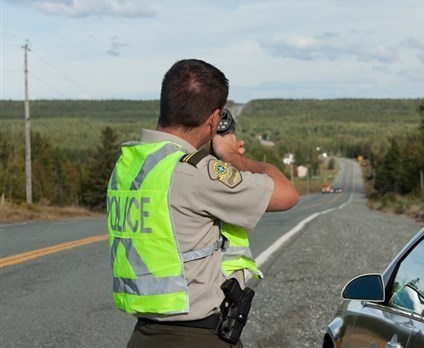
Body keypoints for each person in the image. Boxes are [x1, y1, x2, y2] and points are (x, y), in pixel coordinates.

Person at [106, 59, 299, 347]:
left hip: (144, 335)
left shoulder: (129, 166)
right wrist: (232, 157)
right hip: (196, 336)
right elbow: (287, 194)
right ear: (213, 119)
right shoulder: (194, 172)